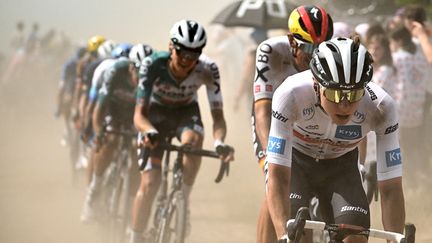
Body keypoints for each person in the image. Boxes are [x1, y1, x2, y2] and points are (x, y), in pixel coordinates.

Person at [266, 37, 405, 243]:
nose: (345, 105)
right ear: (316, 83)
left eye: (355, 93)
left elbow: (391, 187)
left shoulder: (381, 107)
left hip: (341, 167)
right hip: (297, 164)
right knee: (294, 230)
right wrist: (283, 236)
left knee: (354, 236)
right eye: (335, 93)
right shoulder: (290, 94)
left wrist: (395, 240)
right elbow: (277, 175)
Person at [129, 19, 234, 243]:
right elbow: (139, 114)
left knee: (194, 141)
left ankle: (183, 200)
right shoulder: (152, 64)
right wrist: (148, 132)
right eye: (182, 53)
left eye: (194, 54)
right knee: (149, 185)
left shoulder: (208, 69)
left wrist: (220, 143)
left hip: (185, 113)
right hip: (154, 116)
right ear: (171, 47)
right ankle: (135, 238)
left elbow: (217, 117)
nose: (187, 60)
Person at [252, 5, 334, 243]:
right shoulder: (270, 51)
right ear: (292, 41)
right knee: (275, 180)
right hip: (273, 117)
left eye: (322, 47)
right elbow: (262, 110)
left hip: (309, 119)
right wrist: (271, 156)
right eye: (309, 47)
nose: (316, 55)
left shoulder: (332, 53)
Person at [80, 56, 140, 222]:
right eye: (138, 74)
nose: (140, 80)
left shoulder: (149, 78)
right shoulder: (114, 72)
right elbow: (98, 110)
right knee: (110, 140)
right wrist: (99, 133)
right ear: (130, 69)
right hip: (111, 111)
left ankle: (129, 207)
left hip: (133, 116)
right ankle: (94, 191)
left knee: (137, 151)